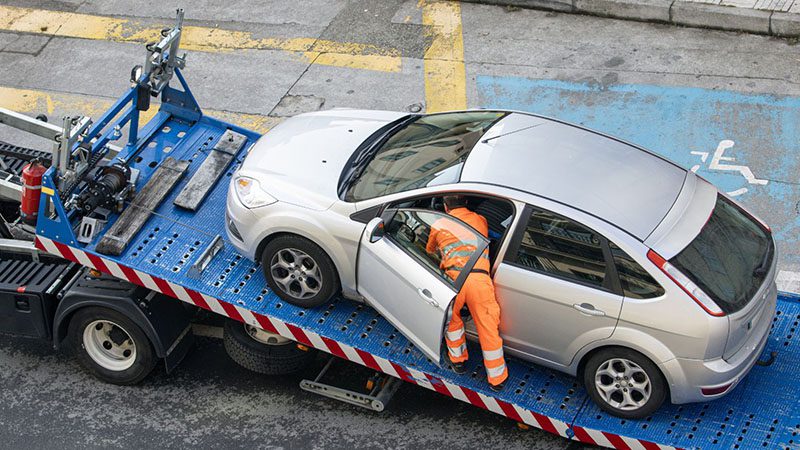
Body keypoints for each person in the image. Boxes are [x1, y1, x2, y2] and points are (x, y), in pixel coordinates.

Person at [426, 195, 508, 391]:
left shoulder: (438, 225)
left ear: (445, 207)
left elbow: (429, 250)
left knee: (452, 322)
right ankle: (497, 379)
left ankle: (458, 361)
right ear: (466, 203)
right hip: (479, 280)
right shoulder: (480, 220)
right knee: (487, 328)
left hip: (453, 280)